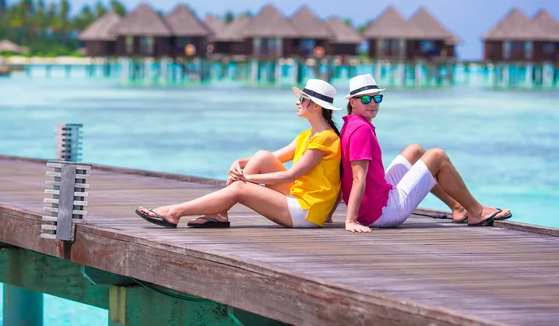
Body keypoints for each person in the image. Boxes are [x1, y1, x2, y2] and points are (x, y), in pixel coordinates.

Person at [136, 79, 342, 229]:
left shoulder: (325, 138)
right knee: (261, 156)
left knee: (240, 189)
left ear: (316, 106)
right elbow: (274, 158)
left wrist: (246, 178)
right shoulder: (308, 135)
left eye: (303, 99)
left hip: (307, 212)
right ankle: (218, 213)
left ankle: (174, 212)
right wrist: (239, 162)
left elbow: (291, 175)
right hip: (299, 199)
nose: (297, 102)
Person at [340, 74, 512, 233]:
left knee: (415, 151)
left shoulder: (351, 123)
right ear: (352, 101)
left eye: (377, 98)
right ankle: (477, 211)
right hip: (382, 212)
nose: (372, 103)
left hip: (375, 202)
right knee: (437, 156)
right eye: (365, 99)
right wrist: (351, 220)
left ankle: (457, 207)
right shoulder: (361, 130)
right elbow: (357, 178)